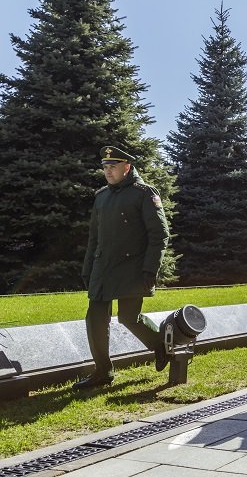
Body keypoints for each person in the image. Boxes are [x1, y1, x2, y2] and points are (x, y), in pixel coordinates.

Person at [75, 145, 170, 390]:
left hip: (133, 268)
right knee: (95, 319)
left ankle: (160, 343)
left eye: (113, 166)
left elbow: (159, 234)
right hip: (102, 268)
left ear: (127, 167)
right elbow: (93, 238)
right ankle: (103, 372)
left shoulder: (144, 193)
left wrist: (150, 269)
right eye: (105, 167)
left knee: (128, 318)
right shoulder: (101, 196)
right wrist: (88, 268)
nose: (108, 171)